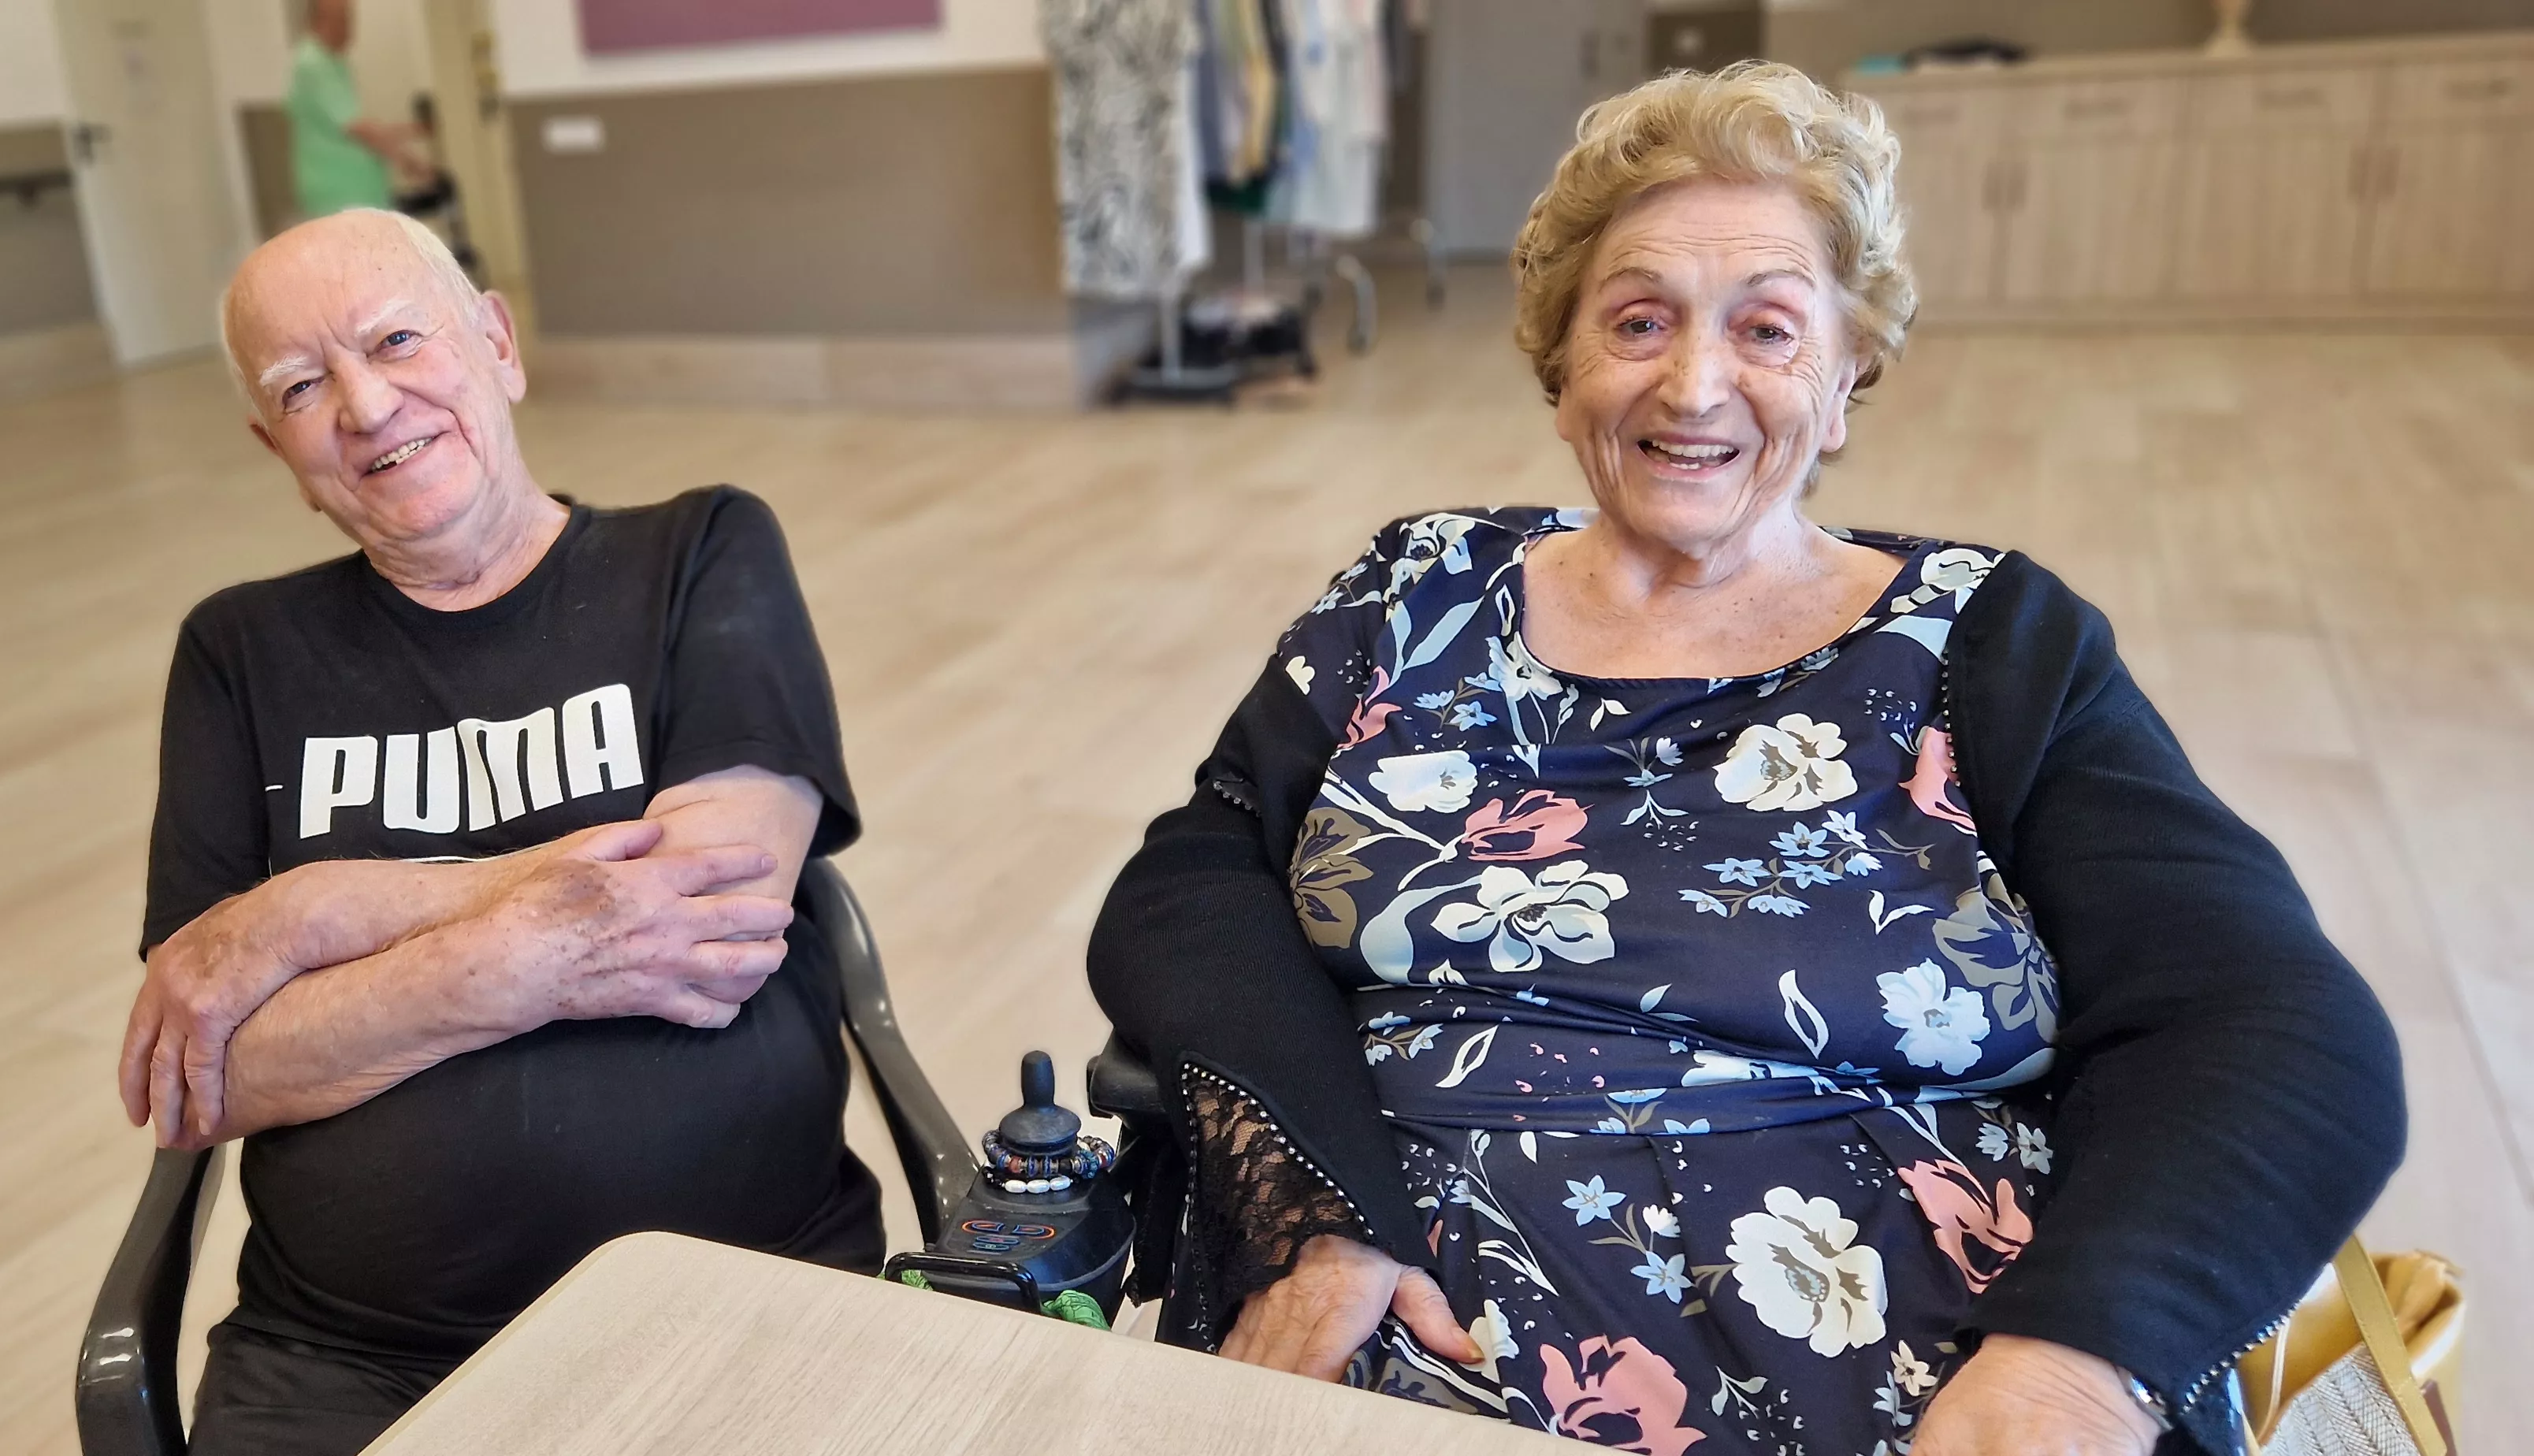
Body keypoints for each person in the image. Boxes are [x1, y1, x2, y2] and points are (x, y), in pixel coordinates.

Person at [1087, 63, 2402, 1456]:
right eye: (1637, 320)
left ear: (1842, 383)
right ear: (1563, 365)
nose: (1693, 382)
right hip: (1403, 1348)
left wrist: (2076, 1364)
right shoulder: (1411, 595)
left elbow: (2272, 1018)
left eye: (1766, 328)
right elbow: (1204, 869)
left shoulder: (1985, 640)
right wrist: (1318, 1209)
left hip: (1940, 1386)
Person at [117, 208, 880, 1455]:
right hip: (358, 1359)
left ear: (498, 345)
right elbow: (211, 1068)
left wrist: (315, 915)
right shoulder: (236, 652)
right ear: (278, 448)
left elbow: (718, 909)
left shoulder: (700, 552)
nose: (365, 407)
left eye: (398, 339)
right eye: (304, 385)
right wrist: (543, 938)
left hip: (750, 1297)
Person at [288, 0, 424, 220]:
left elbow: (347, 120)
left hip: (356, 192)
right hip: (338, 194)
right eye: (344, 20)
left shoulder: (333, 62)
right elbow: (357, 128)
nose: (350, 29)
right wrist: (406, 159)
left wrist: (408, 131)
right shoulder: (312, 64)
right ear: (320, 19)